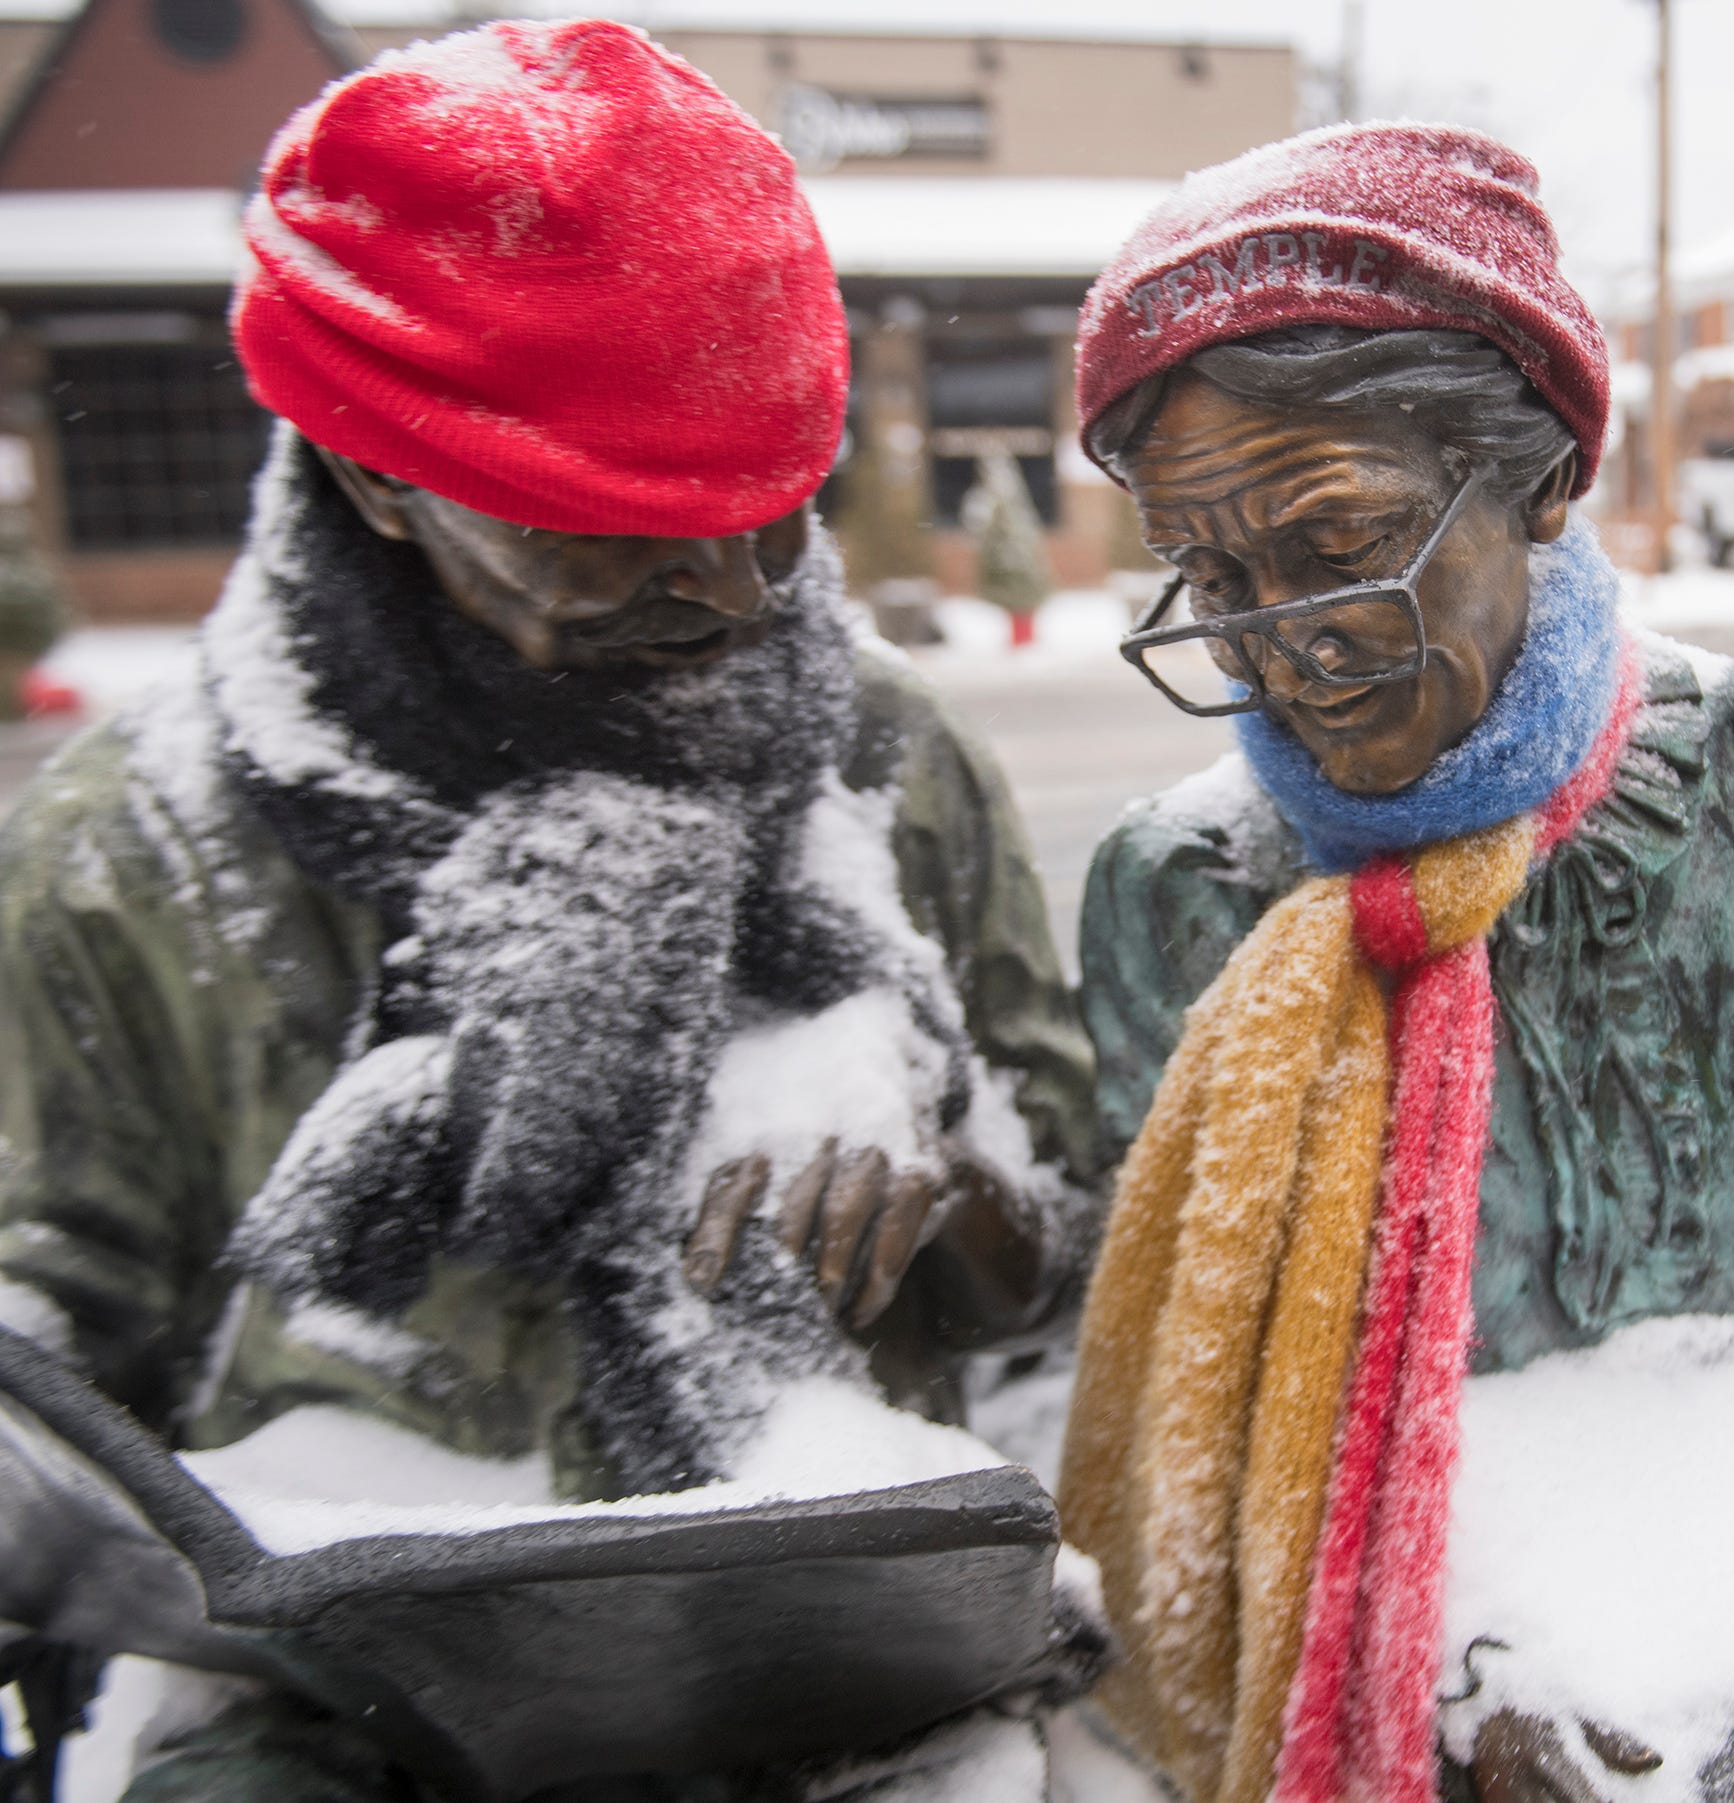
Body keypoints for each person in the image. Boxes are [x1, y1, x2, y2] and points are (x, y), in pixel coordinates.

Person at [0, 20, 1096, 1797]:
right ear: (375, 479)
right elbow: (56, 1376)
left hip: (854, 1700)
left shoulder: (893, 761)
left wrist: (951, 1170)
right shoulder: (143, 853)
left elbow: (1066, 1252)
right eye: (622, 530)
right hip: (332, 1729)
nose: (734, 594)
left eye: (771, 507)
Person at [1055, 124, 1734, 1803]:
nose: (1281, 639)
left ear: (1544, 482)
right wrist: (1463, 1671)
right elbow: (1194, 1433)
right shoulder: (1186, 902)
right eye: (1213, 575)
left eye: (1343, 542)